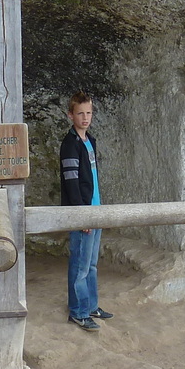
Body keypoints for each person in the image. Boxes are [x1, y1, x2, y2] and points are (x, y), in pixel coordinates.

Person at [60, 93, 112, 332]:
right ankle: (78, 312)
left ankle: (90, 306)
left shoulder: (89, 140)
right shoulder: (70, 144)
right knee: (80, 265)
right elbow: (71, 182)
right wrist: (82, 214)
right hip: (83, 213)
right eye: (80, 113)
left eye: (89, 112)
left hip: (95, 209)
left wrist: (96, 210)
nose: (85, 117)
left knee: (91, 264)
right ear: (71, 115)